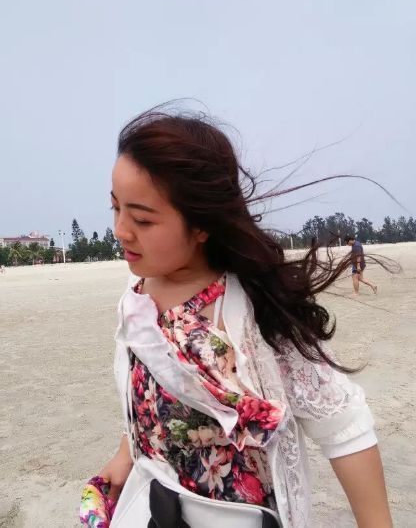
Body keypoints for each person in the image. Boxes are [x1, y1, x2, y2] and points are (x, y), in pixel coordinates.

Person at [80, 109, 392, 528]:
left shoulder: (256, 314)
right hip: (153, 507)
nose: (120, 230)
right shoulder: (135, 298)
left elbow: (344, 428)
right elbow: (147, 400)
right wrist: (125, 455)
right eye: (115, 208)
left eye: (142, 219)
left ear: (201, 225)